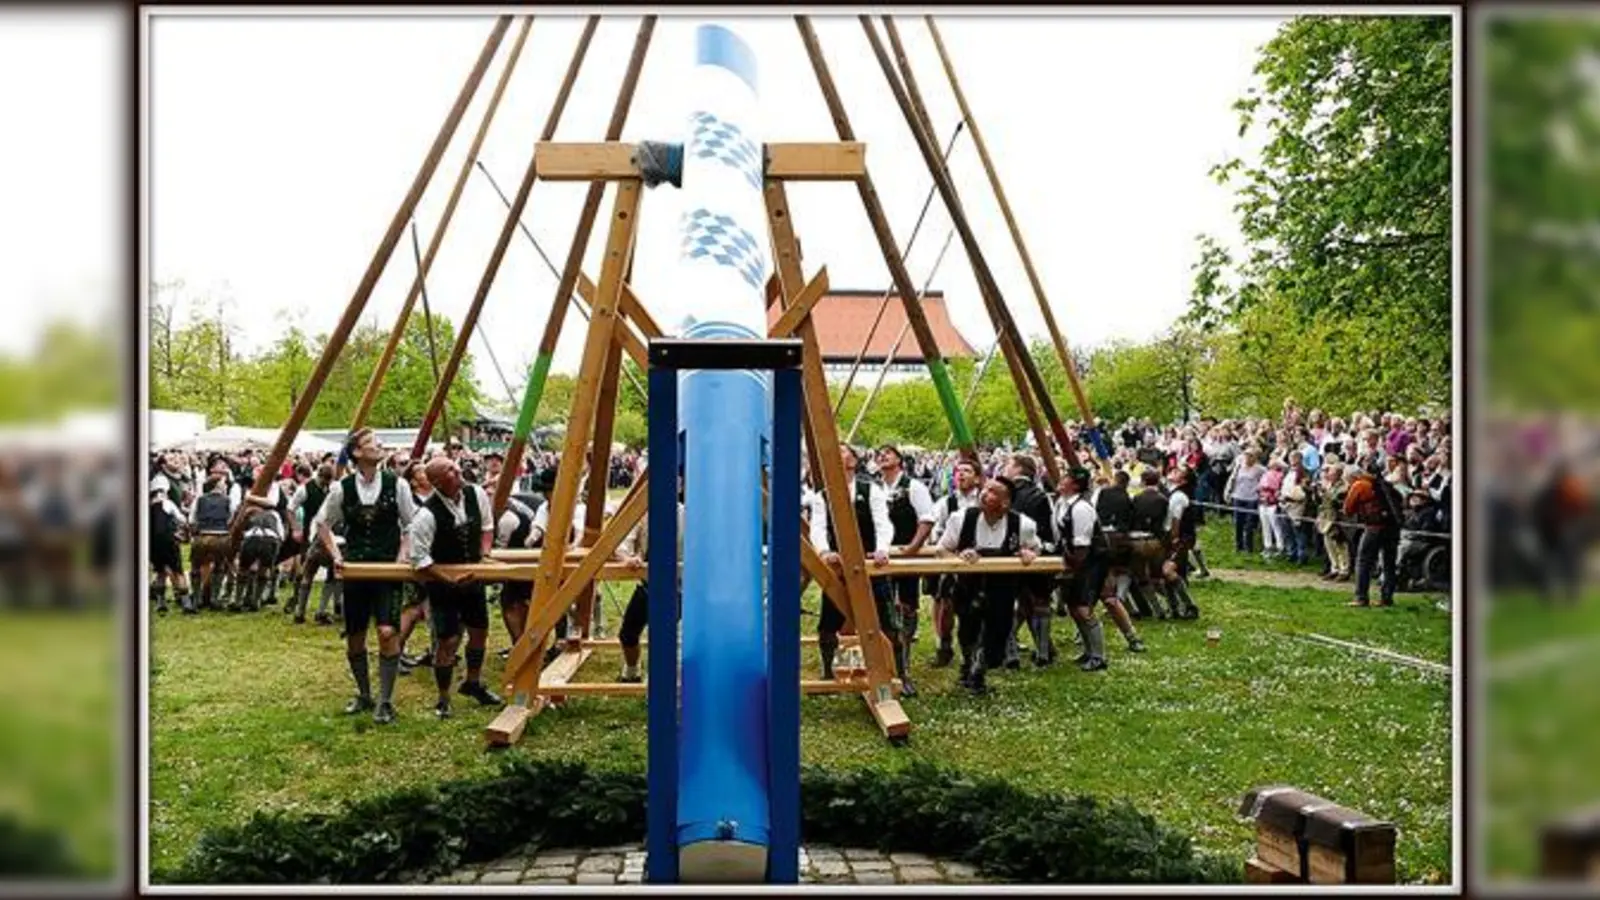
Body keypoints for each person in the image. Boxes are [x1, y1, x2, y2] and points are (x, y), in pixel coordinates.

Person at [317, 427, 417, 724]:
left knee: (387, 632)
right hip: (356, 569)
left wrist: (402, 557)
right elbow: (322, 523)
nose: (380, 445)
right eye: (373, 443)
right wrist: (336, 556)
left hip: (388, 568)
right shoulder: (341, 488)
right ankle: (364, 694)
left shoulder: (397, 485)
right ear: (357, 452)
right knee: (356, 637)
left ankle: (385, 700)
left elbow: (411, 524)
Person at [407, 456, 504, 719]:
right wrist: (448, 579)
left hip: (473, 578)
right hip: (443, 585)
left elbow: (486, 527)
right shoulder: (426, 514)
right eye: (450, 470)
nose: (458, 470)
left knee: (479, 631)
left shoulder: (476, 494)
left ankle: (473, 683)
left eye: (455, 465)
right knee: (448, 641)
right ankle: (443, 698)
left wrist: (483, 556)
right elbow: (419, 560)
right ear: (438, 482)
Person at [934, 475, 1042, 694]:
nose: (984, 493)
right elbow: (941, 550)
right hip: (968, 584)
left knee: (998, 631)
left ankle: (981, 666)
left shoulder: (1023, 524)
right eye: (985, 489)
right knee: (968, 627)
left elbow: (1036, 548)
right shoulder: (961, 518)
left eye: (992, 492)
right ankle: (971, 669)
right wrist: (959, 558)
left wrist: (1029, 553)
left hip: (1002, 586)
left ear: (1006, 502)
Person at [806, 445, 898, 686]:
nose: (838, 454)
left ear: (854, 461)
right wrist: (825, 551)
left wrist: (882, 550)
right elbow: (818, 528)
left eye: (844, 451)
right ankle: (831, 671)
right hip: (839, 568)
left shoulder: (871, 491)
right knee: (830, 621)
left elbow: (883, 523)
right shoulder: (822, 496)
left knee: (886, 621)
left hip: (870, 564)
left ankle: (898, 672)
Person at [875, 445, 935, 696]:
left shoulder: (914, 486)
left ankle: (904, 668)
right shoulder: (875, 488)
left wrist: (912, 548)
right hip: (881, 557)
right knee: (883, 609)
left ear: (900, 460)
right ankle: (883, 664)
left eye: (888, 453)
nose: (882, 457)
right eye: (879, 454)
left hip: (905, 556)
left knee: (907, 607)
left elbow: (927, 519)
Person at [918, 458, 981, 668]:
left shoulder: (984, 500)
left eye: (967, 471)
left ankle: (975, 652)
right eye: (958, 471)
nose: (961, 474)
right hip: (950, 561)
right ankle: (944, 646)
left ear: (978, 477)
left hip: (980, 562)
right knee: (945, 603)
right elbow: (934, 527)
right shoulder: (946, 502)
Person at [1055, 467, 1114, 671]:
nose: (1060, 480)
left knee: (1084, 608)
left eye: (1065, 478)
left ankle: (1099, 656)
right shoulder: (1061, 504)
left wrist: (1072, 568)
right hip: (1076, 560)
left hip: (1091, 561)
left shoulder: (1081, 508)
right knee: (1073, 607)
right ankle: (1088, 651)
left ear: (1075, 485)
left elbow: (1082, 546)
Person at [1343, 457, 1403, 607]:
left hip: (1374, 528)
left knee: (1364, 562)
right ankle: (1387, 598)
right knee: (1389, 564)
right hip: (1392, 528)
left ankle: (1361, 597)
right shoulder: (1385, 485)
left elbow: (1347, 509)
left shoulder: (1360, 485)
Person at [148, 477, 190, 615]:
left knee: (160, 572)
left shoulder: (147, 506)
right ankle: (186, 603)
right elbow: (181, 519)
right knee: (178, 571)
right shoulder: (167, 503)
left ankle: (161, 603)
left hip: (153, 543)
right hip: (168, 541)